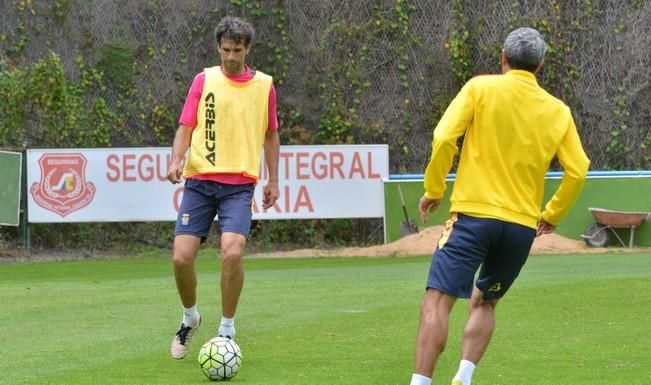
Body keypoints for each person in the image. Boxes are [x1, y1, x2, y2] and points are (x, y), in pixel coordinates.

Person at [409, 27, 590, 385]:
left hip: (473, 217)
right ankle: (464, 375)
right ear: (540, 66)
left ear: (503, 58)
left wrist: (434, 188)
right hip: (520, 227)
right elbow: (578, 169)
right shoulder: (558, 110)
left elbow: (445, 136)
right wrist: (551, 215)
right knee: (485, 302)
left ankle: (420, 383)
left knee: (437, 302)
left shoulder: (480, 88)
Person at [167, 16, 280, 360]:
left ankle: (227, 329)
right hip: (200, 181)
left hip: (239, 186)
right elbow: (186, 125)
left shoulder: (264, 86)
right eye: (226, 49)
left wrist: (273, 179)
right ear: (219, 47)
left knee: (232, 252)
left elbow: (271, 134)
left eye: (238, 50)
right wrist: (176, 158)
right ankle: (190, 318)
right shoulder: (204, 80)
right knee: (181, 258)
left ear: (247, 49)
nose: (231, 57)